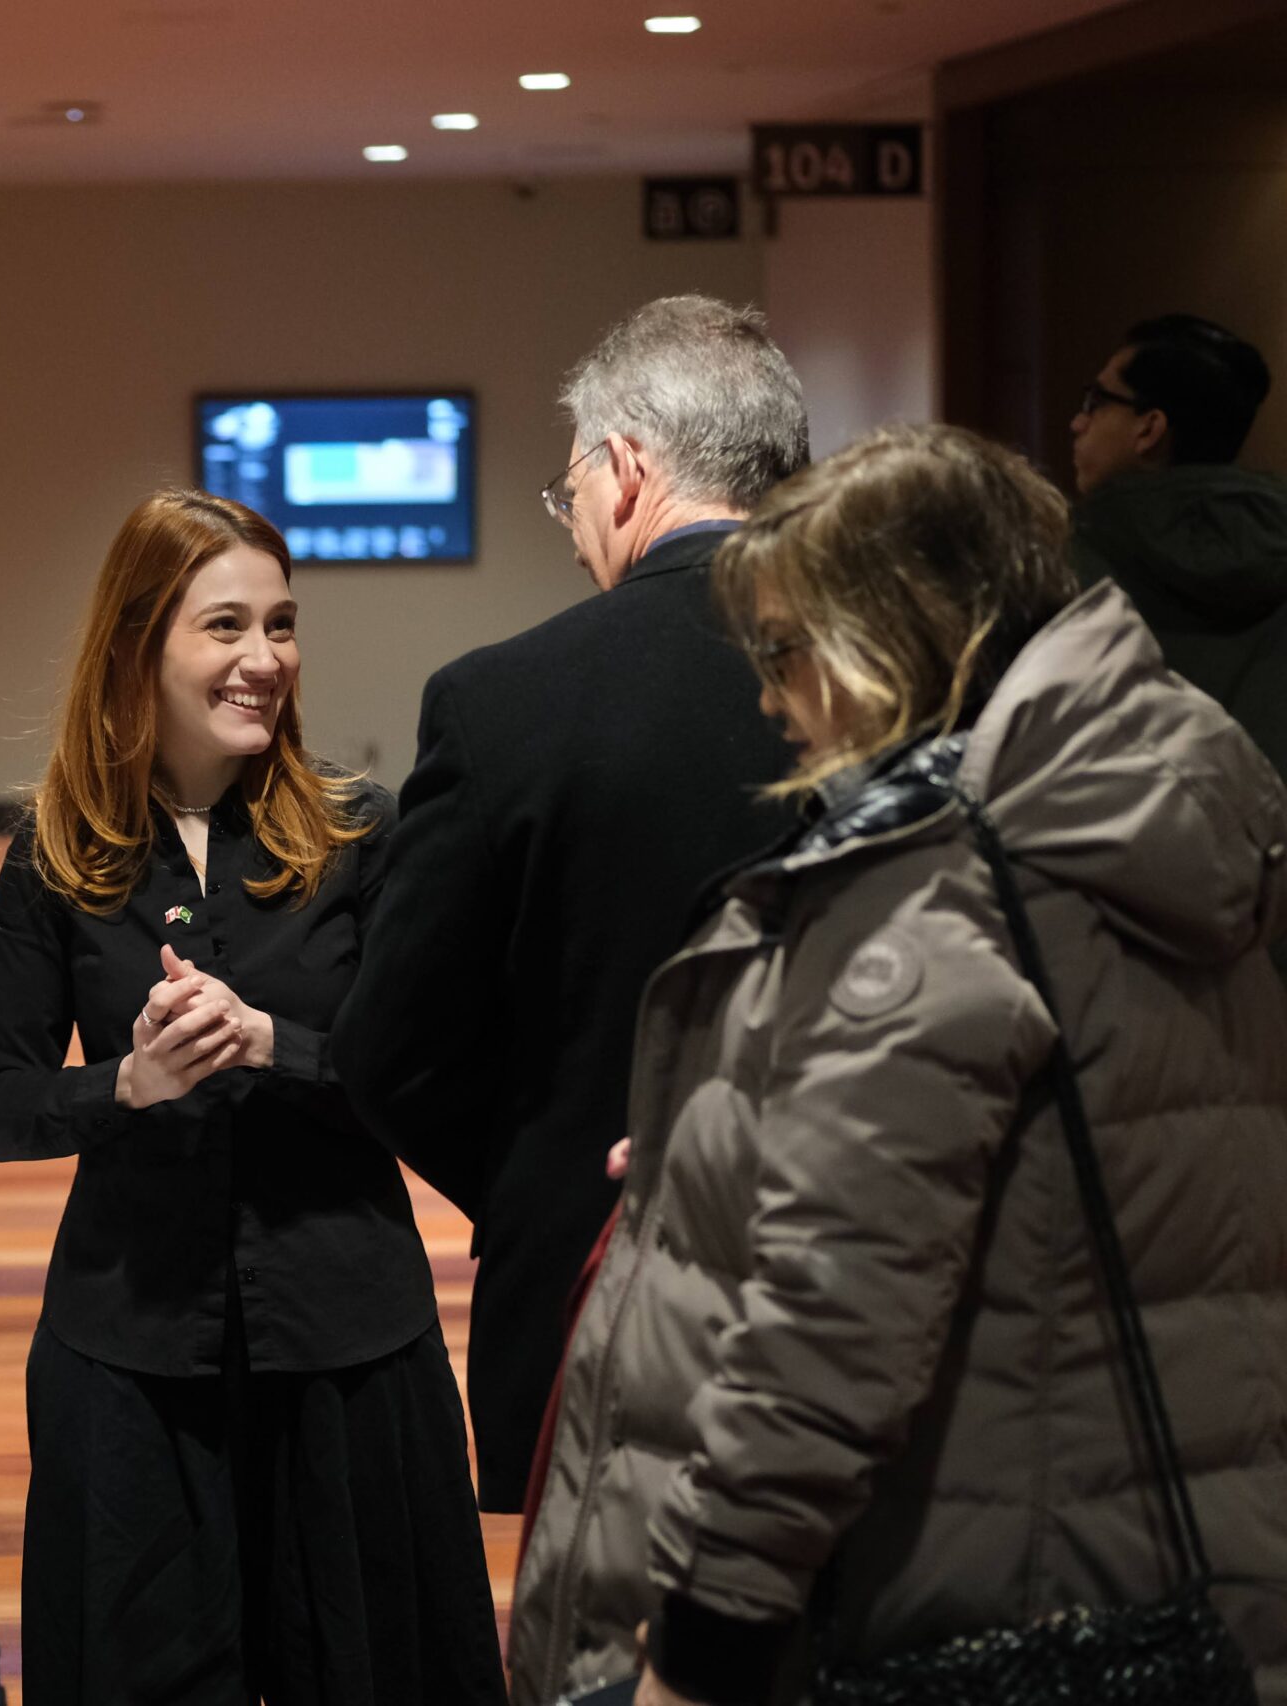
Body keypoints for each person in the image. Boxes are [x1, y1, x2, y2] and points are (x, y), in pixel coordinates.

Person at [511, 423, 1287, 1706]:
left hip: (945, 1601)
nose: (769, 699)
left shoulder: (941, 888)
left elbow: (827, 1324)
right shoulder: (1139, 815)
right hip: (1130, 1553)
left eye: (782, 651)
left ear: (890, 637)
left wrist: (697, 1647)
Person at [0, 488, 503, 1706]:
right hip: (132, 1348)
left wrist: (272, 1042)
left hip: (346, 1343)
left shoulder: (361, 830)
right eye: (224, 626)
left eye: (281, 623)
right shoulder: (55, 848)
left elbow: (426, 1079)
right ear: (137, 644)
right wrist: (128, 1081)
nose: (265, 657)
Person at [333, 295, 804, 1512]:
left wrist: (536, 1169)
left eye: (570, 490)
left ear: (627, 467)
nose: (573, 525)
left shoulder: (504, 700)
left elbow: (388, 1045)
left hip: (597, 1280)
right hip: (870, 1263)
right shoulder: (914, 675)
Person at [1068, 314, 1287, 935]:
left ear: (1150, 428)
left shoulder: (1064, 565)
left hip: (1132, 923)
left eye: (1096, 401)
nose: (1078, 422)